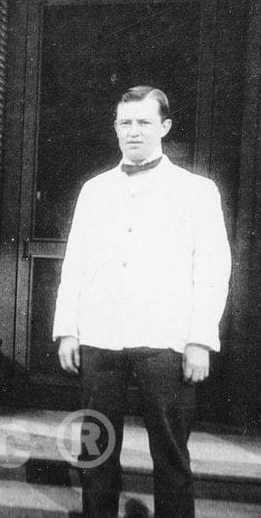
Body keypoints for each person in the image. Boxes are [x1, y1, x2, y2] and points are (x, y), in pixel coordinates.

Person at [53, 85, 231, 518]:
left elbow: (212, 269)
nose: (134, 131)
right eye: (125, 122)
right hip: (100, 336)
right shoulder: (94, 191)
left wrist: (200, 340)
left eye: (144, 122)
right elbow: (75, 261)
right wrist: (68, 330)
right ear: (115, 128)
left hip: (165, 339)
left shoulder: (197, 190)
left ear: (164, 127)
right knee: (96, 449)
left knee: (170, 455)